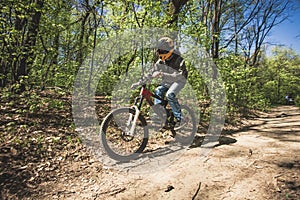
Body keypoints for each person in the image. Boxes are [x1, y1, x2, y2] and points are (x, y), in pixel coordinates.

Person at [131, 36, 188, 126]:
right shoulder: (160, 62)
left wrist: (162, 74)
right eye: (159, 51)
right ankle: (160, 115)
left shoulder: (179, 59)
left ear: (169, 50)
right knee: (158, 91)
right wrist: (138, 83)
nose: (160, 54)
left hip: (179, 81)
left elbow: (181, 75)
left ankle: (180, 118)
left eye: (162, 51)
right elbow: (150, 73)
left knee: (170, 94)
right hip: (168, 82)